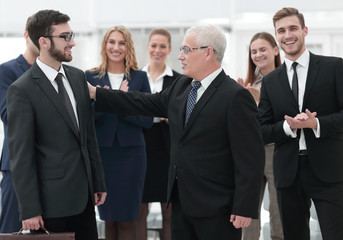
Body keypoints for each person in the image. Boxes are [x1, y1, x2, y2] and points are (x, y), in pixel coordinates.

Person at [89, 25, 265, 240]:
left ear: (207, 52)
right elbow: (143, 102)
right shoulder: (182, 85)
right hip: (181, 202)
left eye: (186, 50)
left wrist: (244, 207)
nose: (180, 56)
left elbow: (250, 157)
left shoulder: (235, 96)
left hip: (219, 209)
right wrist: (96, 93)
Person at [6, 10, 107, 240]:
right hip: (50, 204)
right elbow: (21, 156)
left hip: (84, 198)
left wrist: (98, 181)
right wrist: (30, 209)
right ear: (43, 41)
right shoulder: (21, 90)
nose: (72, 42)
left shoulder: (78, 77)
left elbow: (88, 136)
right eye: (65, 36)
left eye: (71, 35)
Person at [258, 7, 343, 240]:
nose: (288, 35)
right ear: (277, 36)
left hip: (328, 171)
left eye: (293, 28)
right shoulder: (271, 81)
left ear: (305, 30)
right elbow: (262, 130)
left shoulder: (334, 67)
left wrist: (317, 124)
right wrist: (289, 127)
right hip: (288, 174)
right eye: (281, 30)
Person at [85, 25, 153, 240]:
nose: (116, 47)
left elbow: (147, 119)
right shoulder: (90, 77)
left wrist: (118, 102)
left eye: (121, 43)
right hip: (102, 155)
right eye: (112, 42)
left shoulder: (140, 78)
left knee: (127, 219)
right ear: (105, 45)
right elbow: (85, 119)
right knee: (107, 219)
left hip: (132, 156)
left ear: (128, 47)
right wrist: (110, 102)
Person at [237, 32, 283, 240]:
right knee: (248, 214)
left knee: (278, 215)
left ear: (275, 50)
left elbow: (288, 118)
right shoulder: (250, 82)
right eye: (253, 51)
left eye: (262, 49)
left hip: (276, 151)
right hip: (250, 153)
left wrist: (261, 99)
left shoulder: (286, 79)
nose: (258, 55)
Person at [135, 28, 180, 240]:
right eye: (154, 45)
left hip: (168, 149)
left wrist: (171, 116)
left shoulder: (179, 80)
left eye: (163, 46)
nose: (158, 50)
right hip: (141, 147)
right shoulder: (136, 77)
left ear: (169, 49)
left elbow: (183, 115)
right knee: (139, 210)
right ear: (148, 47)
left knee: (169, 209)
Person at [0, 16, 39, 234]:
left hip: (50, 166)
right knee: (10, 230)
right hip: (16, 165)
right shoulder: (6, 71)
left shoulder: (57, 74)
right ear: (26, 35)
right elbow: (8, 115)